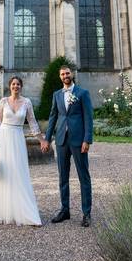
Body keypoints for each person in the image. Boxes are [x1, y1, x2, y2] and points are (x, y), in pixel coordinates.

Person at [0, 76, 46, 226]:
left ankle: (24, 212)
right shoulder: (3, 101)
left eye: (18, 84)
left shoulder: (27, 102)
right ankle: (1, 211)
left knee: (18, 173)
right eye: (13, 84)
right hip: (2, 139)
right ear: (10, 86)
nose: (16, 86)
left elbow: (33, 122)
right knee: (2, 173)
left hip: (17, 138)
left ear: (21, 86)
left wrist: (42, 140)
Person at [41, 64, 94, 227]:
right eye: (63, 74)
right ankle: (65, 210)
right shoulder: (57, 95)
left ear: (72, 74)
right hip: (62, 140)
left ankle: (86, 213)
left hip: (79, 141)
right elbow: (52, 117)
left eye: (67, 73)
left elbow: (88, 118)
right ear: (60, 77)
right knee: (62, 177)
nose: (65, 75)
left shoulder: (82, 93)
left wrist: (87, 140)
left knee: (83, 176)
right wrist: (47, 139)